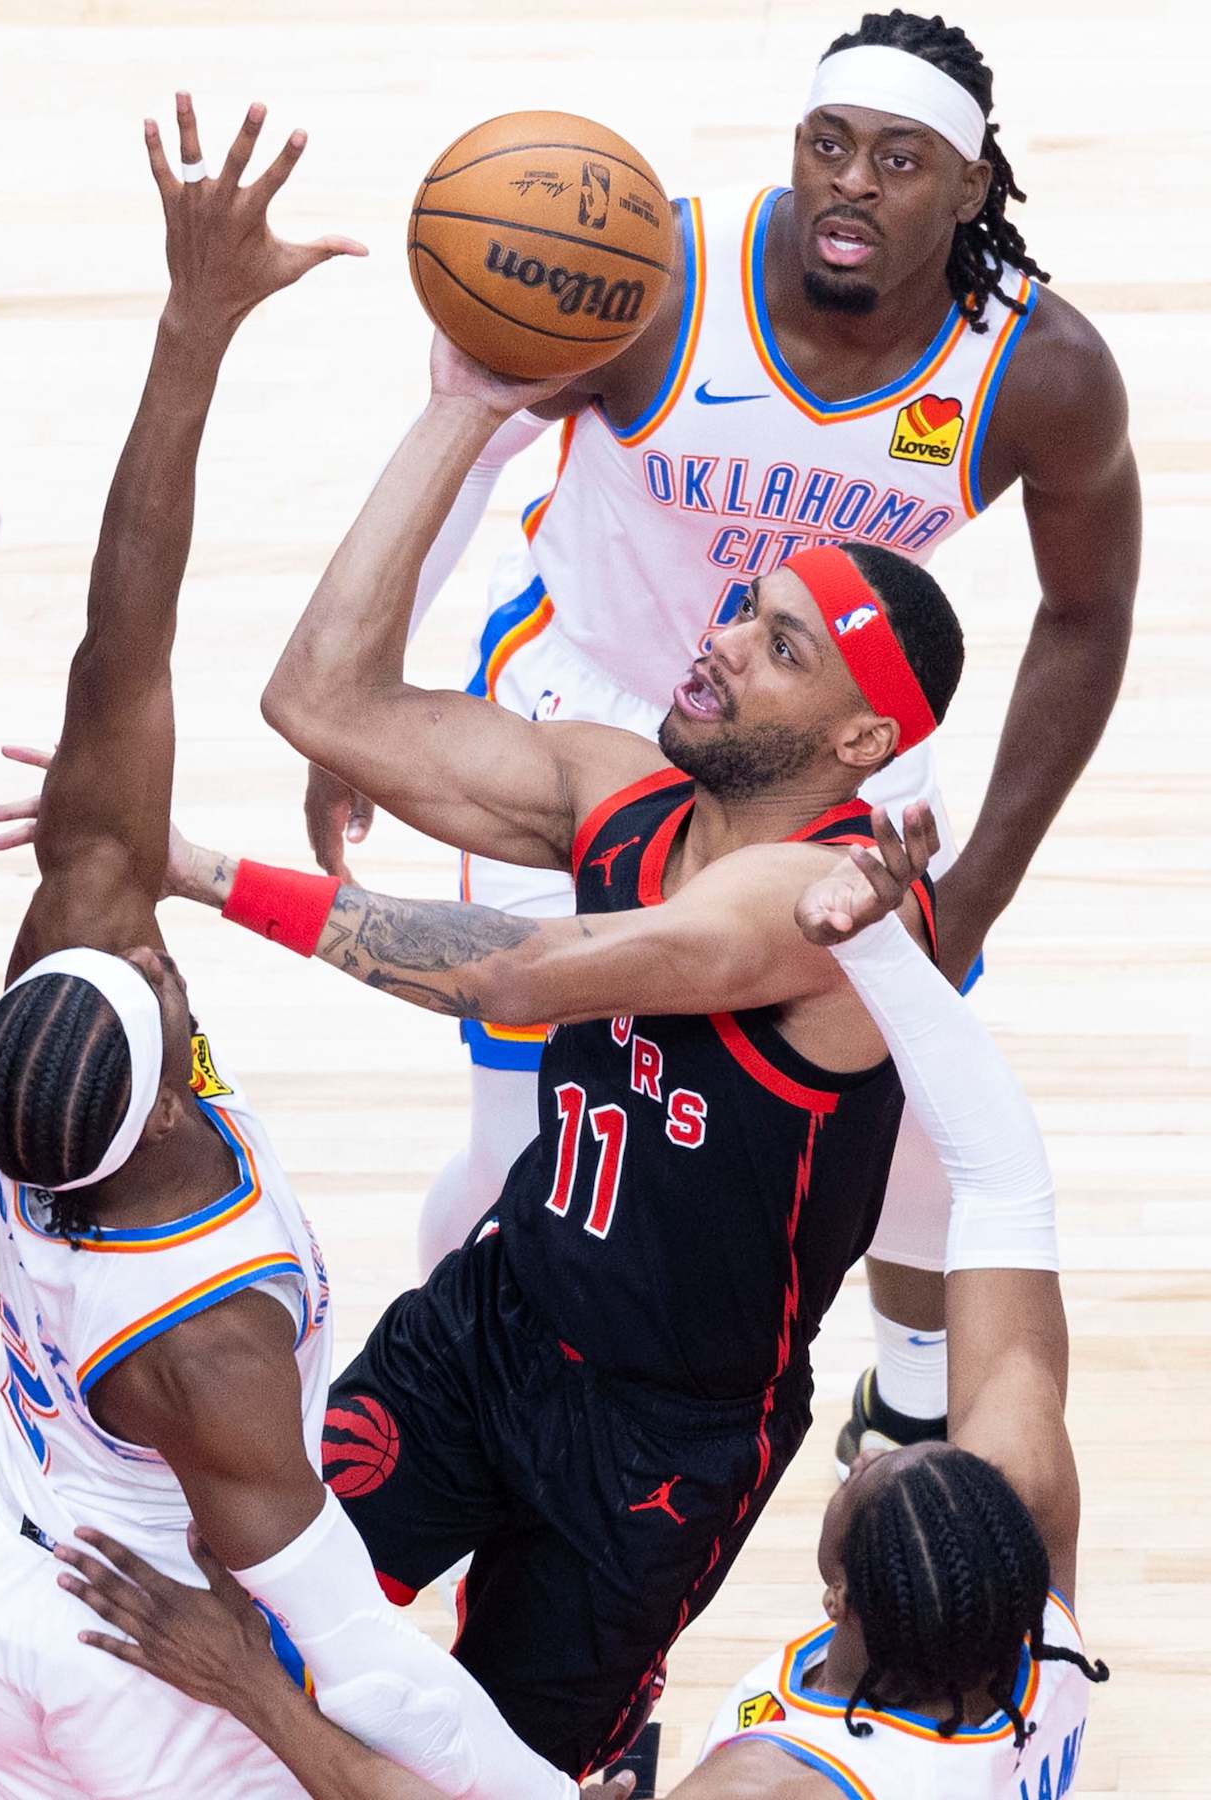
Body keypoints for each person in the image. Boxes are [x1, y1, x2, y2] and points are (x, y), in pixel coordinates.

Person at [0, 309, 966, 1775]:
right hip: (493, 1324)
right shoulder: (619, 791)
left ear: (861, 742)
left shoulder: (822, 909)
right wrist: (461, 410)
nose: (719, 642)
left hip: (662, 1441)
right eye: (741, 610)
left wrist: (212, 880)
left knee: (485, 1771)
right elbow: (320, 701)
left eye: (781, 646)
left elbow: (514, 971)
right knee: (248, 1617)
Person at [305, 8, 1140, 1474]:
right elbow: (472, 445)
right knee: (534, 1154)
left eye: (899, 159)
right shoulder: (649, 283)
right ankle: (471, 1403)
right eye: (828, 144)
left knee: (908, 1136)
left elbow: (1088, 614)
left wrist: (980, 894)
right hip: (588, 719)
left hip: (832, 756)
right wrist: (363, 707)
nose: (851, 182)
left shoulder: (1039, 373)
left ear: (969, 186)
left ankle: (912, 1395)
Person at [0, 93, 575, 1800]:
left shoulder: (63, 1066)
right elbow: (359, 1657)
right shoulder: (207, 1337)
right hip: (142, 1667)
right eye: (157, 986)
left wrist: (192, 326)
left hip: (0, 1594)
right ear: (156, 1101)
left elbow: (121, 645)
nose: (151, 953)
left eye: (131, 958)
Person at [53, 827, 1109, 1800]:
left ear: (840, 1602)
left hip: (672, 1449)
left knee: (452, 1734)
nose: (887, 1455)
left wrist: (250, 1688)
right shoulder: (1035, 1618)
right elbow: (1005, 1180)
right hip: (515, 1343)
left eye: (875, 1483)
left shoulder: (768, 1786)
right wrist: (879, 948)